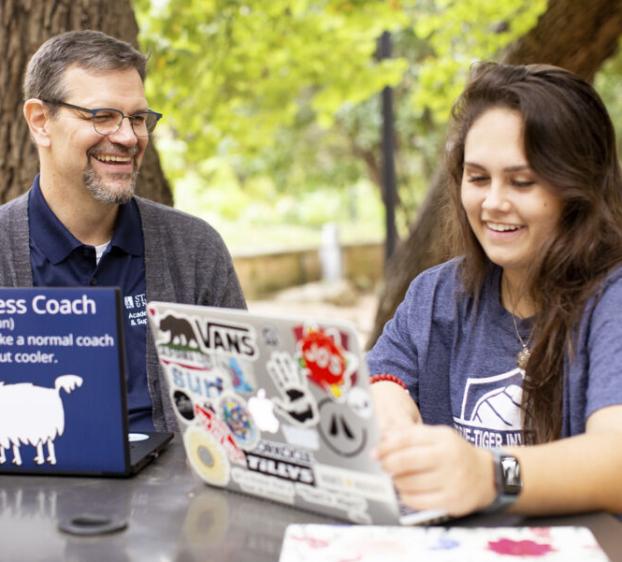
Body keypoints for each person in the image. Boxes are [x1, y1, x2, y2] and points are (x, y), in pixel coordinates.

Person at [367, 62, 622, 517]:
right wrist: (387, 402)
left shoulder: (612, 300)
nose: (493, 203)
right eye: (478, 178)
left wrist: (487, 475)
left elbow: (615, 462)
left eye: (522, 182)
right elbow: (381, 377)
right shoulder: (436, 293)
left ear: (579, 188)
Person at [0, 30, 246, 432]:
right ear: (41, 121)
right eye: (103, 116)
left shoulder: (196, 250)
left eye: (137, 118)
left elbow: (238, 406)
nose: (129, 137)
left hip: (178, 491)